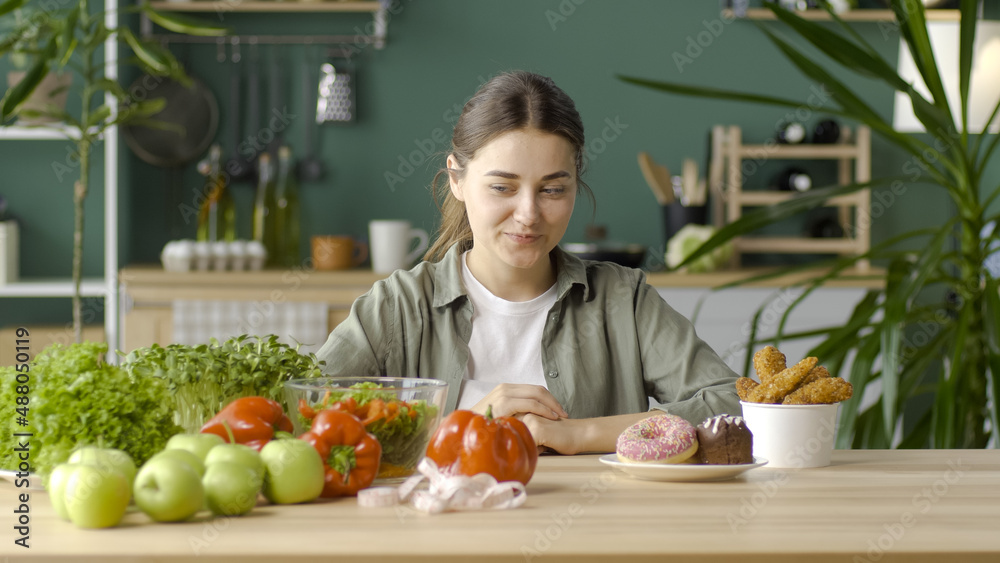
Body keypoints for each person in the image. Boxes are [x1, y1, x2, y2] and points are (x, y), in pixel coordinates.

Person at [315, 71, 740, 454]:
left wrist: (582, 434)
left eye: (553, 190)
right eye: (502, 187)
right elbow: (306, 416)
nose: (528, 214)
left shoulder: (624, 300)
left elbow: (731, 405)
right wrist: (466, 426)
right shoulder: (397, 306)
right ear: (456, 180)